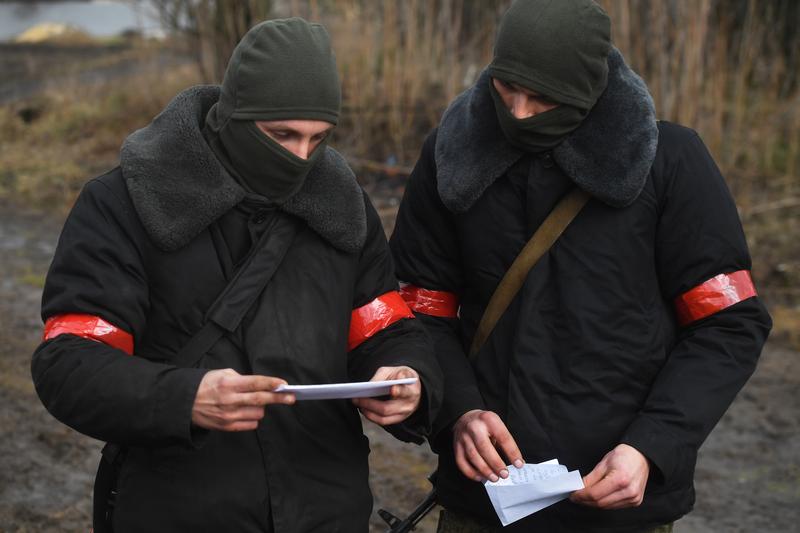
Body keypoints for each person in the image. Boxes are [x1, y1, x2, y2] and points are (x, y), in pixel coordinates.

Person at [31, 18, 442, 533]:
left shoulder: (342, 206)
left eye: (318, 138)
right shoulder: (124, 203)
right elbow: (69, 363)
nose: (300, 157)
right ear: (234, 118)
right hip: (178, 510)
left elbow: (387, 329)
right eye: (281, 135)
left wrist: (406, 377)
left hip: (328, 508)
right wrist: (184, 397)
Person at [389, 1, 772, 531]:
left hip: (621, 505)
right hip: (483, 502)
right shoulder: (450, 159)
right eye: (506, 89)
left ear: (589, 90)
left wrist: (651, 446)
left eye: (543, 98)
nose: (519, 112)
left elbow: (728, 324)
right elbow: (417, 312)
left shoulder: (672, 163)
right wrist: (457, 414)